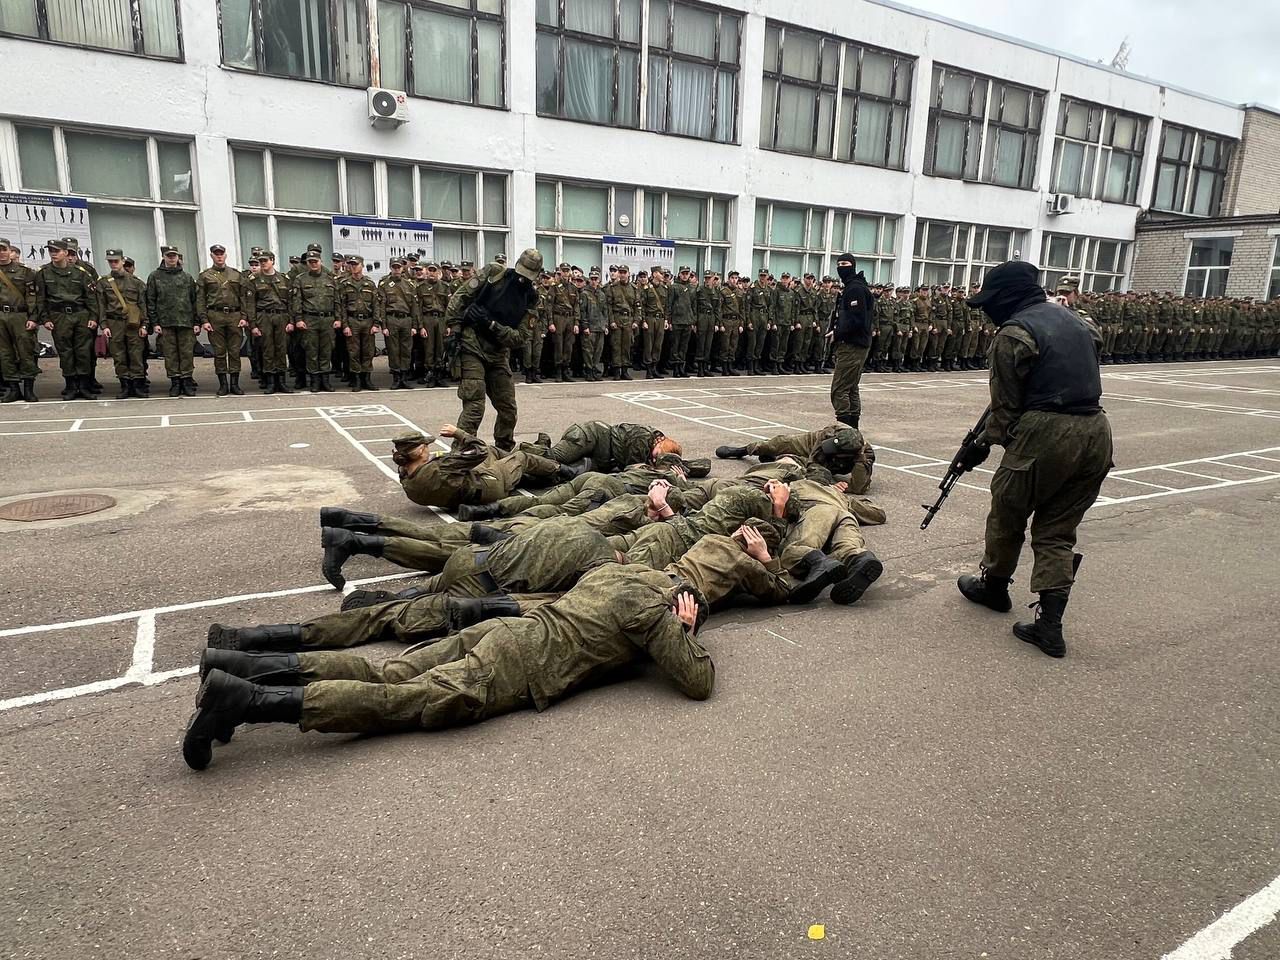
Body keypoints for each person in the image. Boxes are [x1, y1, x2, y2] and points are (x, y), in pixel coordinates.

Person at [182, 562, 711, 771]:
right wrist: (685, 631)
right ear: (681, 601)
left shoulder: (619, 574)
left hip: (503, 633)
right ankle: (246, 701)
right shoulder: (654, 614)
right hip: (514, 669)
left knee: (387, 674)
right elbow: (697, 681)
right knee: (399, 703)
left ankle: (240, 666)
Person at [954, 259, 1113, 659]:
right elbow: (1091, 338)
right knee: (1057, 530)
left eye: (990, 302)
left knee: (1008, 508)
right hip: (1096, 431)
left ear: (1006, 298)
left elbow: (1005, 409)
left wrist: (985, 445)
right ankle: (1050, 626)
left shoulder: (1014, 334)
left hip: (1048, 432)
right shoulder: (1078, 321)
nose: (988, 312)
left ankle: (993, 587)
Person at [445, 250, 542, 452]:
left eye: (528, 276)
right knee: (474, 405)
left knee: (508, 409)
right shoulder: (494, 273)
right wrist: (454, 328)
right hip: (472, 345)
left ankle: (504, 450)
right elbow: (460, 298)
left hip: (497, 353)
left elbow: (519, 338)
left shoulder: (532, 299)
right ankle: (460, 453)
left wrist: (491, 324)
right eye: (521, 273)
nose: (522, 279)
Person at [715, 424, 875, 493]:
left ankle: (777, 459)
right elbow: (815, 463)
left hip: (838, 464)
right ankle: (744, 450)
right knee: (780, 442)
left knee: (795, 466)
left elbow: (859, 488)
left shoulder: (864, 456)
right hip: (812, 446)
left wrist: (836, 485)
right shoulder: (829, 436)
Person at [36, 238, 98, 400]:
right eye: (51, 251)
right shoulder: (43, 273)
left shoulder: (81, 273)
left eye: (56, 251)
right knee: (65, 352)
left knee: (83, 351)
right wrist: (45, 318)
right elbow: (40, 298)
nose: (53, 254)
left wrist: (93, 316)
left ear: (65, 252)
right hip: (59, 316)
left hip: (80, 315)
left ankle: (84, 386)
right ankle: (71, 385)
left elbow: (91, 297)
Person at [828, 254, 875, 428]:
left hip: (852, 345)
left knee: (839, 390)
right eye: (839, 264)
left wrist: (837, 333)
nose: (841, 267)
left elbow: (857, 320)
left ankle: (845, 431)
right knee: (851, 388)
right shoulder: (853, 287)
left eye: (845, 263)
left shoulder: (855, 289)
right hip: (856, 344)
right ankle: (853, 430)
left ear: (853, 266)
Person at [145, 245, 199, 397]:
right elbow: (151, 301)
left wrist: (196, 322)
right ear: (163, 257)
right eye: (168, 255)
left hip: (185, 321)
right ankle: (175, 382)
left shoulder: (187, 277)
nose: (171, 258)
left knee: (186, 353)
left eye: (174, 255)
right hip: (165, 322)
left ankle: (187, 381)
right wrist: (154, 323)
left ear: (178, 257)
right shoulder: (155, 276)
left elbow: (194, 301)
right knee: (170, 354)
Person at [196, 243, 247, 397]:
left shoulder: (236, 275)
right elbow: (200, 300)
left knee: (234, 351)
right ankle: (223, 384)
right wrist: (204, 319)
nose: (219, 256)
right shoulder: (205, 276)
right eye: (216, 253)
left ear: (225, 255)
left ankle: (235, 384)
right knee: (219, 352)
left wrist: (244, 316)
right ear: (211, 256)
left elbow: (243, 297)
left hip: (234, 316)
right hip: (215, 316)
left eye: (221, 253)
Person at [538, 420, 681, 474]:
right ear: (661, 443)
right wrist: (661, 472)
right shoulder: (643, 438)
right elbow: (633, 470)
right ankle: (532, 448)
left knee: (559, 471)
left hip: (601, 458)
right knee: (556, 457)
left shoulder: (651, 446)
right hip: (591, 436)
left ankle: (539, 450)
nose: (655, 460)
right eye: (657, 456)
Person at [97, 250, 148, 398]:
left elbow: (142, 305)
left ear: (122, 262)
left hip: (133, 323)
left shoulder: (136, 282)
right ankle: (125, 386)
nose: (113, 264)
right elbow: (101, 305)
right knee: (119, 355)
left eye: (116, 261)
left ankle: (137, 386)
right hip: (114, 323)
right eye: (110, 261)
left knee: (136, 354)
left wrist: (145, 325)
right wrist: (104, 325)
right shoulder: (104, 282)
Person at [243, 251, 294, 394]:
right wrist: (253, 325)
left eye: (265, 260)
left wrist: (291, 321)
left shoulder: (284, 279)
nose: (263, 263)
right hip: (263, 317)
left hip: (281, 316)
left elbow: (291, 302)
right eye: (261, 261)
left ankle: (282, 381)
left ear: (273, 260)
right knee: (267, 349)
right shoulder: (254, 280)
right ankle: (270, 381)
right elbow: (250, 304)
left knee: (281, 349)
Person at [289, 251, 340, 393]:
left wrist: (338, 319)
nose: (313, 264)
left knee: (326, 351)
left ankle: (325, 381)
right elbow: (297, 301)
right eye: (310, 261)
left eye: (315, 261)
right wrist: (298, 319)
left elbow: (337, 301)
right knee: (311, 351)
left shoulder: (330, 278)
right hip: (309, 319)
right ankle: (314, 381)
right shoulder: (300, 279)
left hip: (328, 320)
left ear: (320, 261)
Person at [0, 237, 39, 403]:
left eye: (3, 249)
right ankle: (13, 389)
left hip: (20, 315)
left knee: (26, 351)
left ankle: (29, 389)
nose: (1, 253)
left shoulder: (25, 272)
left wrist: (33, 317)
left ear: (10, 251)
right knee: (5, 353)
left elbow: (32, 297)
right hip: (1, 316)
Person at [337, 255, 380, 392]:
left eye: (356, 264)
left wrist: (376, 323)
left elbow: (376, 305)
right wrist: (345, 325)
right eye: (351, 264)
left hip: (367, 321)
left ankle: (366, 379)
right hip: (352, 320)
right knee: (353, 351)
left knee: (368, 351)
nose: (353, 266)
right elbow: (341, 306)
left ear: (362, 265)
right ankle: (356, 380)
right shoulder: (345, 284)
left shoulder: (369, 283)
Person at [378, 257, 420, 390]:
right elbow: (382, 306)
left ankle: (404, 377)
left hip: (406, 320)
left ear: (403, 268)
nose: (396, 269)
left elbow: (414, 307)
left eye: (399, 267)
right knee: (393, 350)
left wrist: (414, 326)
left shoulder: (409, 285)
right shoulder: (384, 284)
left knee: (406, 349)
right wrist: (383, 326)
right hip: (391, 319)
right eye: (394, 267)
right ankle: (396, 378)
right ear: (390, 268)